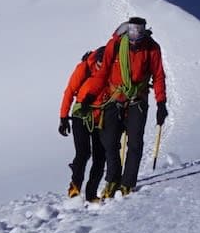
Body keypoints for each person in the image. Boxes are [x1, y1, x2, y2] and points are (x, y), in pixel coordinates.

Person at [94, 16, 170, 196]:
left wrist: (161, 103)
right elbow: (104, 70)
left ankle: (127, 182)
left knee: (135, 143)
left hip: (138, 100)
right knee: (109, 141)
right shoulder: (116, 45)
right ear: (127, 30)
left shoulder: (152, 48)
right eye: (133, 30)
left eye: (139, 31)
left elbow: (158, 76)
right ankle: (113, 179)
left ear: (144, 31)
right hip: (114, 98)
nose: (136, 35)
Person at [57, 46, 110, 201]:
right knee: (83, 153)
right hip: (81, 115)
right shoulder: (84, 68)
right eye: (99, 63)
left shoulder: (111, 71)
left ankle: (91, 193)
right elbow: (69, 91)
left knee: (100, 157)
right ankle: (75, 186)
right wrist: (63, 117)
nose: (101, 66)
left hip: (101, 117)